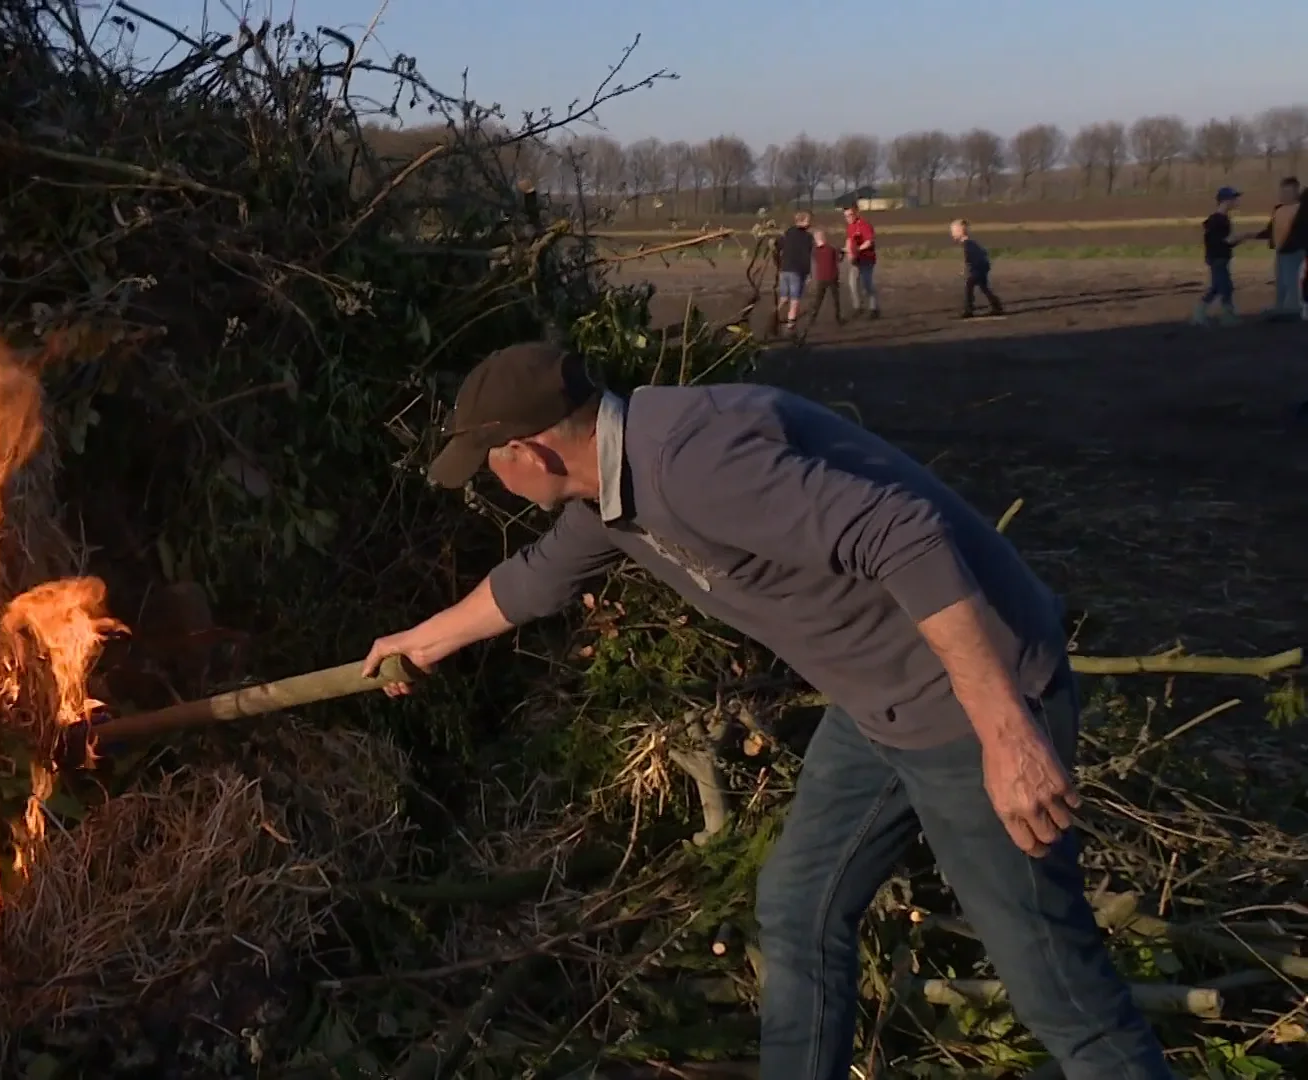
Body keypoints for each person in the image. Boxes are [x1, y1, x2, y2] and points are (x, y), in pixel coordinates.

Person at [363, 342, 1175, 1080]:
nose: (487, 483)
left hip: (971, 702)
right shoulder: (614, 491)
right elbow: (534, 581)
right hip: (878, 705)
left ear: (530, 452)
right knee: (799, 906)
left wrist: (1005, 731)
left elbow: (905, 535)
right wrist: (419, 641)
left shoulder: (690, 464)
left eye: (487, 466)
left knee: (1055, 990)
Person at [1194, 186, 1249, 326]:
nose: (1236, 201)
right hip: (1218, 258)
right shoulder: (1220, 220)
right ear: (1226, 201)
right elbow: (1226, 240)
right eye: (1234, 198)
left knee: (1221, 286)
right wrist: (1245, 237)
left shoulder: (1216, 219)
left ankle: (1203, 314)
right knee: (1223, 287)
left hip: (1217, 257)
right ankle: (1222, 316)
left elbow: (1219, 241)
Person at [1253, 177, 1304, 320]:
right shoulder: (1278, 210)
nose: (1284, 195)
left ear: (1296, 192)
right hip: (1281, 251)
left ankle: (1293, 308)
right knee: (1281, 280)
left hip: (1295, 251)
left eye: (1288, 192)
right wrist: (1251, 235)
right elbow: (1270, 231)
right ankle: (1280, 307)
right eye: (1282, 191)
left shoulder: (1301, 209)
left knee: (1292, 280)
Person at [950, 219, 1005, 317]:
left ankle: (968, 310)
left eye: (953, 232)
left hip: (977, 269)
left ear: (960, 232)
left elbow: (968, 259)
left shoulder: (967, 244)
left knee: (969, 287)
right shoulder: (971, 243)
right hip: (981, 268)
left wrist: (966, 270)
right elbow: (982, 254)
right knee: (984, 288)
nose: (952, 234)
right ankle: (997, 307)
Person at [775, 211, 815, 335]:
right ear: (803, 221)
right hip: (797, 271)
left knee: (783, 297)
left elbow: (777, 246)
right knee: (795, 298)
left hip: (784, 269)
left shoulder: (787, 233)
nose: (810, 223)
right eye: (808, 220)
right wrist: (808, 273)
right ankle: (791, 323)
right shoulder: (807, 237)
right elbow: (806, 255)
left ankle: (774, 314)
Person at [841, 204, 880, 318]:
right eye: (846, 216)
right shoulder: (850, 227)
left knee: (867, 284)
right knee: (852, 283)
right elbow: (849, 240)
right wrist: (846, 250)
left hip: (866, 259)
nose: (848, 218)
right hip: (855, 260)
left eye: (850, 215)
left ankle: (874, 308)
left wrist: (856, 250)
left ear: (856, 213)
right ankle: (857, 307)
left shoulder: (864, 225)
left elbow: (869, 242)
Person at [806, 227, 844, 328]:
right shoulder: (831, 249)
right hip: (832, 277)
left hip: (821, 278)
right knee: (835, 299)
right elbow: (838, 259)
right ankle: (838, 318)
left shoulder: (814, 251)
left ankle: (812, 319)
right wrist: (841, 253)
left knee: (818, 299)